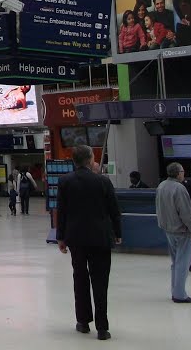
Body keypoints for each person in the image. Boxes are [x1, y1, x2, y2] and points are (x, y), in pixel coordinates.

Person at [56, 144, 122, 341]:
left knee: (80, 278)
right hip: (100, 237)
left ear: (74, 161)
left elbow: (62, 211)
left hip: (76, 238)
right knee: (101, 282)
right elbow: (114, 210)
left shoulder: (65, 181)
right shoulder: (103, 181)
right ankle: (102, 327)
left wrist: (61, 237)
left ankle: (83, 322)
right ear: (91, 159)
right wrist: (117, 233)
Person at [155, 162, 191, 304]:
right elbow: (186, 211)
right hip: (181, 230)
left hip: (168, 229)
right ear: (178, 173)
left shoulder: (161, 186)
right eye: (182, 171)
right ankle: (180, 294)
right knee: (183, 262)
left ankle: (175, 290)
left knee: (175, 262)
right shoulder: (179, 188)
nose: (183, 173)